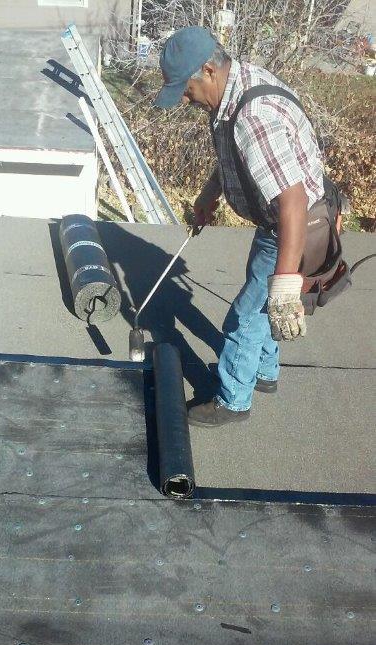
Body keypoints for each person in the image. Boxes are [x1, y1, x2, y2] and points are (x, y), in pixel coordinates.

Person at [154, 26, 326, 428]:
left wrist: (286, 283)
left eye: (185, 87)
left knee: (245, 318)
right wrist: (209, 196)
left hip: (295, 225)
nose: (183, 97)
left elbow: (293, 202)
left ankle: (233, 401)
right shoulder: (233, 90)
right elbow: (236, 158)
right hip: (275, 224)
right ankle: (264, 373)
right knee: (260, 301)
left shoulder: (252, 116)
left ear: (209, 71)